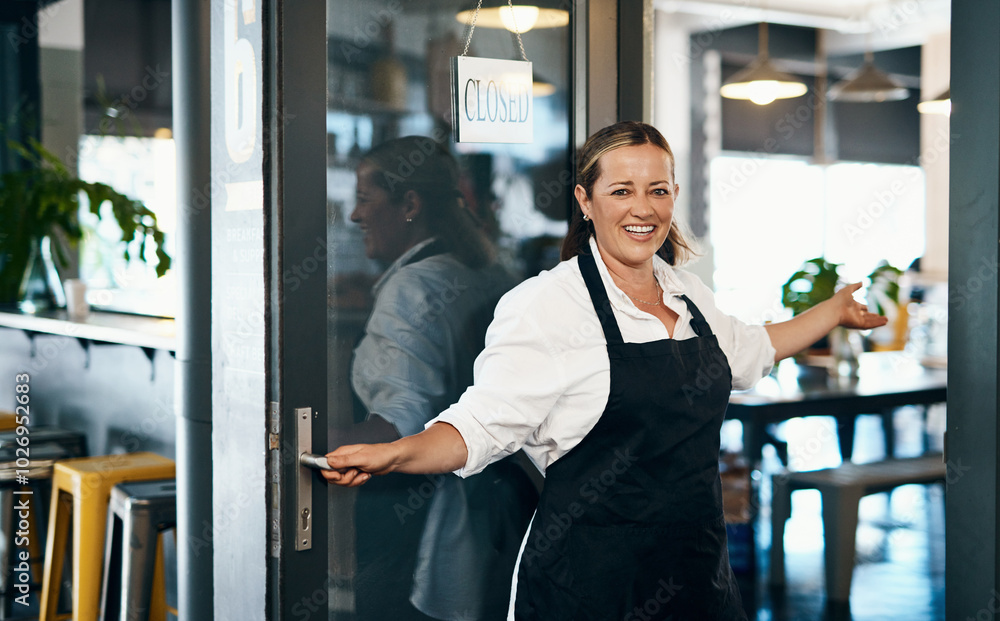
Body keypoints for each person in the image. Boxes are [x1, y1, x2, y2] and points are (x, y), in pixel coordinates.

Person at [323, 122, 887, 620]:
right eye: (622, 191)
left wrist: (833, 310)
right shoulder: (548, 305)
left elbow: (751, 349)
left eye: (657, 190)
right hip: (588, 588)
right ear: (585, 201)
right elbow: (481, 426)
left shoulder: (687, 295)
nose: (643, 208)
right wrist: (396, 452)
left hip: (698, 578)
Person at [343, 136, 537, 621]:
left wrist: (300, 445)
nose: (354, 215)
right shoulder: (488, 271)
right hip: (497, 516)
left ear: (409, 203)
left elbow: (400, 424)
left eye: (365, 198)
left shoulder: (413, 287)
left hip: (415, 522)